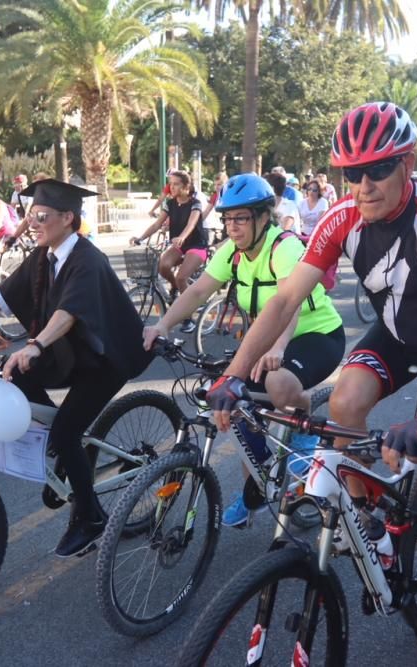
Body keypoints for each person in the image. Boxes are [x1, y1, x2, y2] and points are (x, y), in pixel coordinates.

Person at [206, 102, 417, 658]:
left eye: (379, 169)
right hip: (397, 334)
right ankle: (372, 521)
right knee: (343, 404)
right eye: (351, 173)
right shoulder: (341, 218)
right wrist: (234, 374)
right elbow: (287, 296)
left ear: (407, 164)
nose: (364, 185)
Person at [0, 179, 152, 557]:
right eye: (31, 214)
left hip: (107, 358)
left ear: (68, 218)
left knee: (66, 431)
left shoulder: (87, 259)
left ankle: (90, 517)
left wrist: (34, 345)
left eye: (42, 216)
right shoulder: (43, 256)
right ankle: (65, 454)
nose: (33, 222)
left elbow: (69, 313)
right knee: (13, 375)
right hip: (72, 351)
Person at [144, 174, 345, 526]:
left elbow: (290, 303)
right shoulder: (232, 253)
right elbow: (196, 292)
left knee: (278, 384)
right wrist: (162, 325)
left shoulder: (284, 247)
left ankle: (304, 436)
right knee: (239, 408)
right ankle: (255, 491)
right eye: (227, 219)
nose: (232, 227)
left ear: (263, 217)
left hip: (317, 334)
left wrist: (280, 346)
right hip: (268, 338)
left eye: (241, 218)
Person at [130, 170, 207, 331]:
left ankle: (188, 318)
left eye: (176, 184)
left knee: (181, 278)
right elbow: (157, 224)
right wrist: (141, 238)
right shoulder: (170, 203)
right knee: (163, 265)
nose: (171, 187)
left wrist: (182, 237)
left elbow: (191, 225)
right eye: (170, 184)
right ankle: (175, 290)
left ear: (186, 186)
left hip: (197, 246)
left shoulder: (195, 203)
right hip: (179, 245)